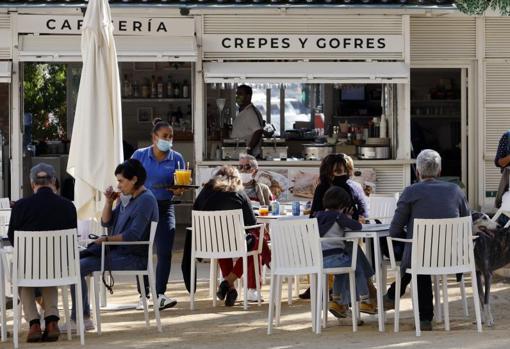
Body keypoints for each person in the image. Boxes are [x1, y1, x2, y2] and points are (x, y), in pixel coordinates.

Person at [383, 149, 470, 331]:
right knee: (421, 252)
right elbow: (466, 222)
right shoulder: (456, 191)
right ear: (439, 171)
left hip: (421, 257)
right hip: (451, 256)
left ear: (417, 172)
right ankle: (394, 295)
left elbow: (394, 230)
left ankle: (420, 315)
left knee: (417, 254)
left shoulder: (411, 191)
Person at [67, 159, 158, 331]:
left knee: (78, 267)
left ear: (134, 180)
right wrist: (109, 202)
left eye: (121, 181)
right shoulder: (128, 200)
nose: (118, 185)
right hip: (118, 253)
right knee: (75, 262)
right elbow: (106, 222)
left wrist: (106, 240)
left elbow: (133, 235)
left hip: (133, 257)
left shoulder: (146, 200)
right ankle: (82, 315)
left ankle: (81, 317)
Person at [7, 163, 77, 343]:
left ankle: (34, 324)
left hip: (29, 269)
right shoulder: (68, 206)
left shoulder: (20, 206)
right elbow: (72, 237)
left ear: (32, 184)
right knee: (48, 269)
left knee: (22, 272)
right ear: (53, 181)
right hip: (60, 268)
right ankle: (52, 321)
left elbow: (13, 238)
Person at [131, 118, 185, 310]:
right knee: (142, 251)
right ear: (154, 138)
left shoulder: (177, 158)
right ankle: (143, 295)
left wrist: (179, 190)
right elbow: (128, 181)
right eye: (164, 136)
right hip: (142, 207)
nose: (168, 140)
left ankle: (159, 293)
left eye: (171, 137)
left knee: (164, 251)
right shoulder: (139, 155)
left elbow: (181, 185)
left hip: (165, 205)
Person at [190, 165, 262, 306]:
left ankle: (231, 290)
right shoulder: (238, 193)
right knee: (255, 242)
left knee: (222, 244)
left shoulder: (205, 192)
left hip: (206, 243)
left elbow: (195, 211)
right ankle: (228, 281)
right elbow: (251, 222)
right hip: (233, 244)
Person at [316, 186, 375, 318]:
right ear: (342, 205)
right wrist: (348, 217)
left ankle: (337, 301)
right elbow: (357, 226)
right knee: (357, 267)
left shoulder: (317, 216)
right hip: (335, 257)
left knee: (341, 272)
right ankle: (366, 300)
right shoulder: (338, 216)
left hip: (319, 260)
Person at [309, 153, 368, 222]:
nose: (344, 174)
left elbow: (363, 215)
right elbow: (314, 216)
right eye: (338, 171)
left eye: (346, 171)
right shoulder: (322, 188)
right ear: (328, 173)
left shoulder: (352, 187)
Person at [231, 85, 264, 158]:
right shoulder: (243, 111)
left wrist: (248, 149)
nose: (237, 97)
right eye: (237, 94)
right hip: (240, 153)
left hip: (248, 156)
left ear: (248, 96)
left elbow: (258, 131)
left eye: (240, 94)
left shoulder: (250, 112)